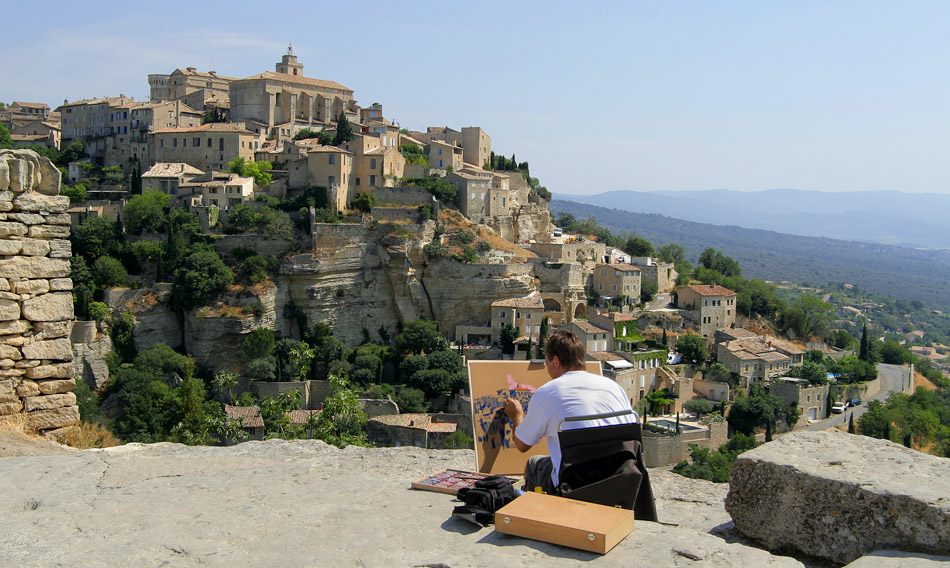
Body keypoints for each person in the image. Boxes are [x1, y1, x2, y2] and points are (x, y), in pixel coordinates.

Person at [504, 329, 635, 493]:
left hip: (574, 484)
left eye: (546, 363)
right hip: (617, 479)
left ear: (556, 362)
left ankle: (535, 515)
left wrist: (517, 416)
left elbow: (522, 444)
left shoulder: (547, 392)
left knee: (534, 464)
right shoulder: (614, 388)